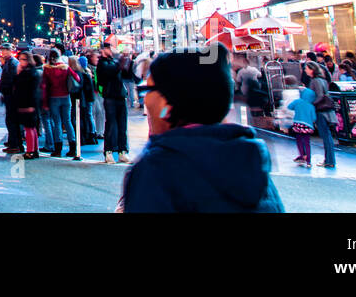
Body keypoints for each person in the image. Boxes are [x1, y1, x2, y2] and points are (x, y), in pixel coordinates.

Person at [121, 45, 284, 212]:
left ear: (167, 102)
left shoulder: (156, 169)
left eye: (147, 90)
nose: (145, 100)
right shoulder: (253, 163)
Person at [96, 43, 129, 163]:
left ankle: (122, 151)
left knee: (122, 125)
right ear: (103, 50)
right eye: (108, 48)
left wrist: (125, 61)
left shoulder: (114, 62)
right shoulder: (102, 64)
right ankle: (109, 152)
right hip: (110, 96)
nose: (111, 50)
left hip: (119, 95)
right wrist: (122, 60)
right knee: (111, 125)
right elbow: (112, 72)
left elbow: (124, 73)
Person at [41, 50, 76, 158]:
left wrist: (45, 102)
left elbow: (44, 87)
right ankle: (73, 148)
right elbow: (77, 78)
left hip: (53, 97)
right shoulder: (65, 67)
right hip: (66, 96)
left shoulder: (47, 69)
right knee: (68, 121)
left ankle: (58, 149)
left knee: (57, 123)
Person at [303, 61, 337, 168]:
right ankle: (330, 160)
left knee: (326, 135)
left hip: (321, 110)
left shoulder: (315, 81)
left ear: (312, 69)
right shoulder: (322, 80)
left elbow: (319, 96)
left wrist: (311, 105)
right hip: (327, 110)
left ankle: (329, 160)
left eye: (307, 68)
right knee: (327, 135)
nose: (305, 70)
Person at [12, 50, 43, 159]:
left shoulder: (28, 73)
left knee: (29, 128)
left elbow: (24, 88)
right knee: (32, 127)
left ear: (28, 60)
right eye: (19, 59)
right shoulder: (32, 71)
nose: (20, 61)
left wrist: (18, 73)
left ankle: (30, 151)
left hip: (27, 103)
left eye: (23, 59)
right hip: (30, 103)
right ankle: (34, 150)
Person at [0, 45, 21, 154]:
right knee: (10, 120)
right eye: (2, 50)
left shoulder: (12, 63)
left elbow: (12, 79)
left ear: (9, 51)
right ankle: (13, 142)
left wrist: (8, 92)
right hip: (8, 94)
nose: (3, 52)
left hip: (11, 95)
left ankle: (15, 144)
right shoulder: (8, 62)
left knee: (11, 120)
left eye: (5, 50)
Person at [67, 55, 91, 156]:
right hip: (80, 99)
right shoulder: (82, 72)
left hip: (76, 100)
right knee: (78, 119)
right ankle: (82, 138)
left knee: (75, 120)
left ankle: (79, 139)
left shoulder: (75, 73)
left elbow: (75, 87)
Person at [287, 87, 316, 164]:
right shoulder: (311, 106)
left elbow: (289, 107)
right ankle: (308, 160)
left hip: (297, 124)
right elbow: (314, 118)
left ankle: (302, 155)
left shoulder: (297, 102)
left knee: (299, 140)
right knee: (307, 142)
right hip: (308, 126)